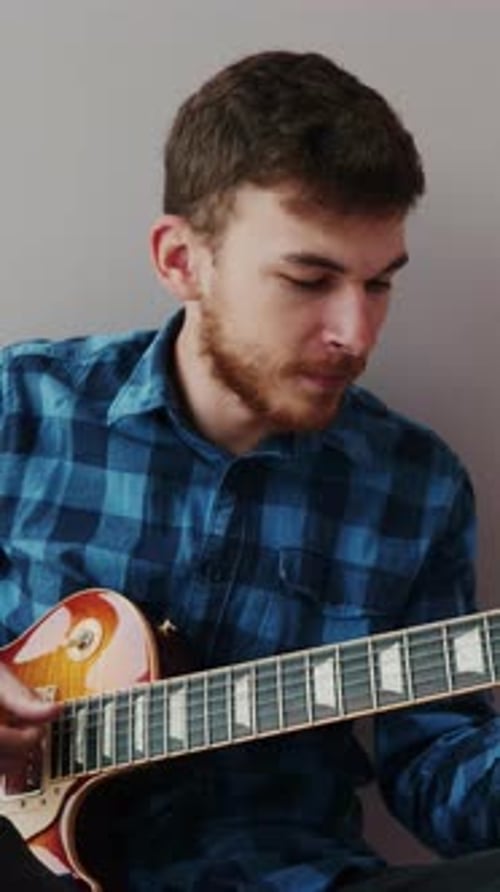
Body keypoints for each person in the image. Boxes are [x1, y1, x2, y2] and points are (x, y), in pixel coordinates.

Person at [0, 49, 499, 892]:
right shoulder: (24, 405)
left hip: (287, 873)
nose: (357, 332)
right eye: (310, 279)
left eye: (379, 284)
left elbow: (434, 764)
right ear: (180, 261)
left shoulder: (419, 484)